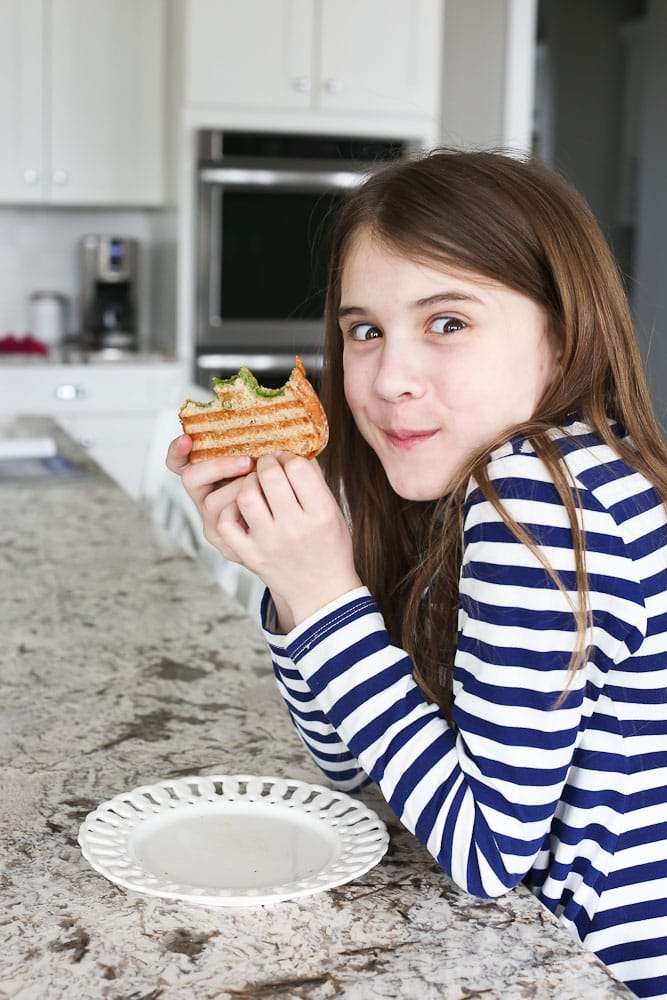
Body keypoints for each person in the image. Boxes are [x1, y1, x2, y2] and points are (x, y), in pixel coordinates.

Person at [167, 150, 667, 1000]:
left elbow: (482, 854)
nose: (389, 379)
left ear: (562, 334)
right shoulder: (525, 474)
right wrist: (295, 588)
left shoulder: (540, 495)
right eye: (365, 331)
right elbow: (357, 770)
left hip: (598, 976)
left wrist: (327, 598)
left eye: (447, 323)